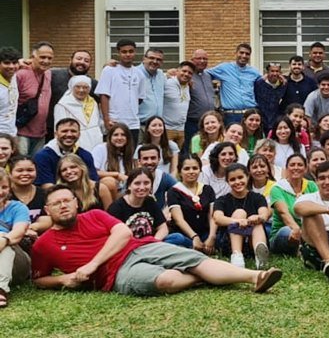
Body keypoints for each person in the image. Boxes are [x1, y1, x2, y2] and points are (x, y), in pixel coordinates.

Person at [31, 185, 282, 296]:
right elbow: (38, 279)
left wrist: (90, 265)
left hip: (142, 247)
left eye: (67, 201)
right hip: (117, 274)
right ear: (47, 209)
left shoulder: (95, 215)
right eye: (56, 203)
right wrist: (64, 279)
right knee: (166, 280)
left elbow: (123, 234)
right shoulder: (45, 244)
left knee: (194, 259)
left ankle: (254, 277)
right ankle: (209, 277)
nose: (63, 206)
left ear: (76, 202)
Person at [212, 163, 271, 270]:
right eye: (233, 179)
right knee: (239, 212)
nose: (237, 182)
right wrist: (238, 221)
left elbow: (264, 214)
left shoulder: (257, 197)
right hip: (229, 241)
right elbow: (217, 218)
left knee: (257, 222)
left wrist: (258, 218)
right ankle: (237, 256)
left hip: (252, 240)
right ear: (227, 181)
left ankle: (260, 257)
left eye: (240, 177)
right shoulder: (222, 200)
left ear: (247, 177)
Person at [165, 157, 217, 254]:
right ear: (180, 172)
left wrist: (212, 237)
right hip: (184, 235)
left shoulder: (207, 189)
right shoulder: (174, 191)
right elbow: (178, 220)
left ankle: (200, 246)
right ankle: (194, 246)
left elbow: (212, 216)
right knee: (178, 239)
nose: (191, 172)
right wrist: (194, 237)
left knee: (219, 238)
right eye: (187, 169)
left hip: (204, 233)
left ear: (200, 170)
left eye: (195, 168)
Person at [15, 41, 54, 154]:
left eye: (49, 58)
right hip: (21, 133)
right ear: (32, 57)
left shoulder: (48, 74)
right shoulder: (20, 74)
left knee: (36, 167)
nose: (46, 61)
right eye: (42, 57)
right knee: (21, 165)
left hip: (41, 133)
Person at [208, 43, 262, 125]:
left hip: (251, 114)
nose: (244, 56)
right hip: (231, 115)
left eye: (247, 54)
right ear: (236, 53)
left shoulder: (254, 72)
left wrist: (279, 80)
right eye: (241, 52)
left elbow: (265, 84)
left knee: (251, 138)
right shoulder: (224, 68)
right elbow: (204, 74)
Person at [0, 170, 31, 307]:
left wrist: (4, 240)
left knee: (7, 241)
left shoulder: (18, 208)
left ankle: (1, 289)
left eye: (4, 187)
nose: (1, 192)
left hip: (16, 262)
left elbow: (18, 232)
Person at [54, 75, 104, 152]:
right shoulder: (63, 105)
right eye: (78, 87)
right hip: (76, 141)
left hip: (95, 140)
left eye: (85, 87)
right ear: (72, 88)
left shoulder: (93, 102)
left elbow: (98, 122)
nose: (81, 90)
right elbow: (60, 128)